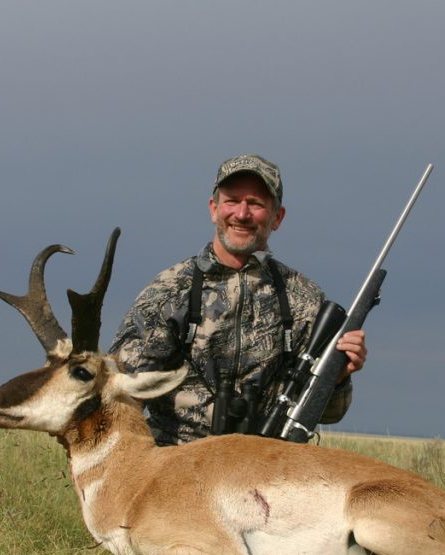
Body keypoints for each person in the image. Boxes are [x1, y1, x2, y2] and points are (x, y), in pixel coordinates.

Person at [110, 154, 367, 445]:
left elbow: (331, 414)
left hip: (268, 465)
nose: (242, 214)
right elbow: (121, 395)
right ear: (213, 209)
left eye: (256, 204)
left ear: (277, 217)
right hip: (179, 465)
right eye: (232, 200)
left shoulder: (305, 300)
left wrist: (339, 377)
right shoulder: (169, 290)